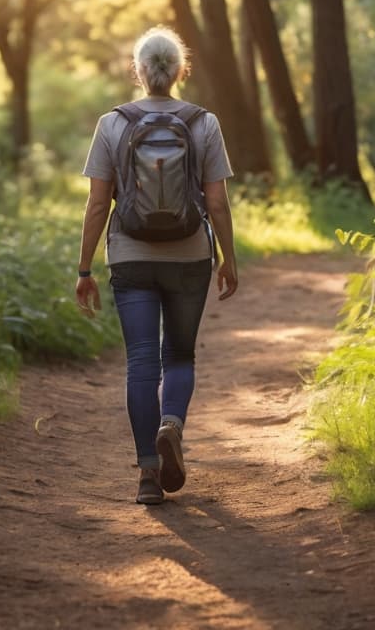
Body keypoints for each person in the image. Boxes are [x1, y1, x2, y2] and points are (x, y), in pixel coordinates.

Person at [75, 26, 239, 505]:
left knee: (142, 361)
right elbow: (217, 201)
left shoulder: (112, 124)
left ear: (139, 71)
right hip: (190, 255)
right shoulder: (203, 122)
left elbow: (97, 203)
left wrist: (84, 270)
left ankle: (148, 473)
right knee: (180, 356)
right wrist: (228, 258)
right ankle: (172, 423)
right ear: (180, 70)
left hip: (130, 256)